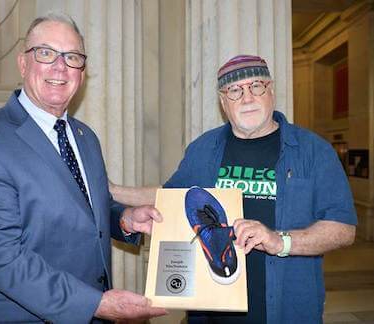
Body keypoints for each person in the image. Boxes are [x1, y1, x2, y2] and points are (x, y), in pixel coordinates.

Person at [0, 13, 167, 323]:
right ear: (23, 63)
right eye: (46, 53)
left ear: (83, 71)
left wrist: (124, 219)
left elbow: (85, 205)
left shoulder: (85, 137)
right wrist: (96, 305)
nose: (60, 67)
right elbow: (1, 257)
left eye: (72, 57)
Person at [110, 54, 357, 323]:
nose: (247, 98)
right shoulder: (204, 148)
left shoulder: (313, 150)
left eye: (256, 86)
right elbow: (170, 197)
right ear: (223, 102)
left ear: (271, 91)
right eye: (235, 90)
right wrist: (110, 190)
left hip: (288, 309)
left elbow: (343, 228)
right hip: (213, 312)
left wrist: (280, 241)